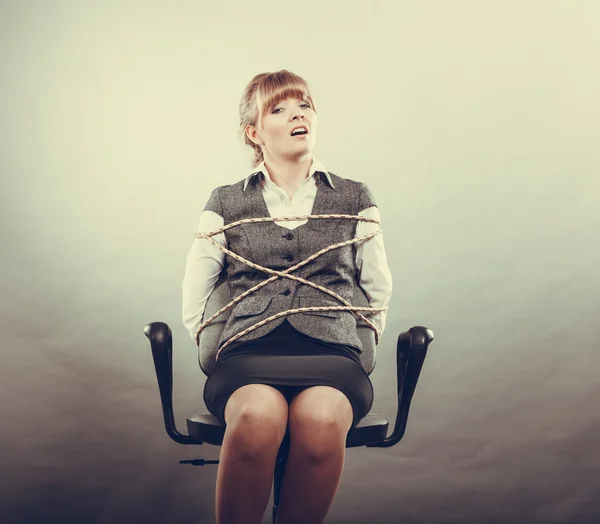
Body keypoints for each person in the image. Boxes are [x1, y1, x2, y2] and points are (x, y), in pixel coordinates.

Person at [181, 70, 393, 524]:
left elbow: (377, 288)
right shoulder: (224, 201)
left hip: (333, 355)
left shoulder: (356, 196)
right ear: (254, 133)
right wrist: (212, 349)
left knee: (319, 422)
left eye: (304, 105)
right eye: (278, 108)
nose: (297, 113)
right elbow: (196, 295)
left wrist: (361, 345)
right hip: (247, 355)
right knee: (257, 416)